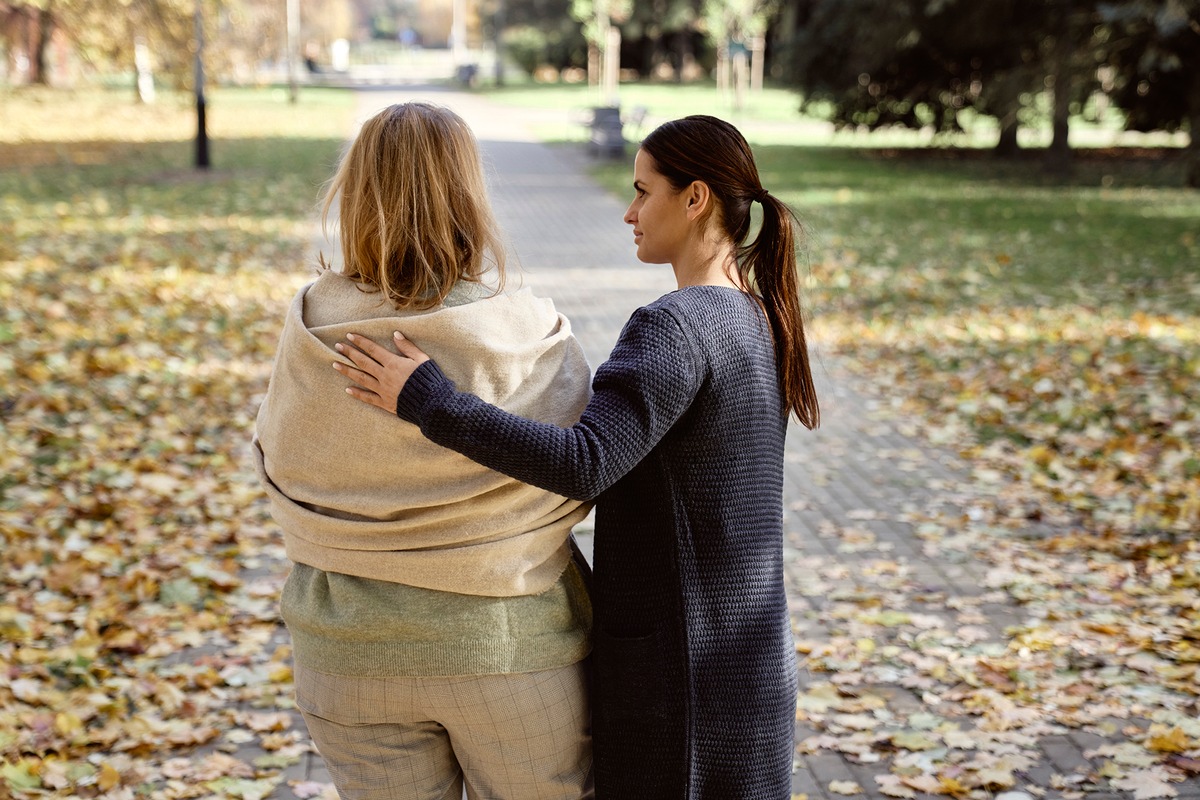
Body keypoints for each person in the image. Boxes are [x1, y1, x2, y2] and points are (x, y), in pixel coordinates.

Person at [334, 114, 819, 799]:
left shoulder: (674, 327)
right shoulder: (756, 313)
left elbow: (586, 461)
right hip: (745, 661)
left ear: (696, 198)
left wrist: (429, 402)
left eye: (643, 191)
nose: (628, 211)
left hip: (677, 677)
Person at [253, 102, 596, 800]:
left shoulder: (315, 319)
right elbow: (581, 467)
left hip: (347, 652)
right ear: (469, 192)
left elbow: (278, 460)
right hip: (508, 644)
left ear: (356, 190)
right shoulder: (523, 325)